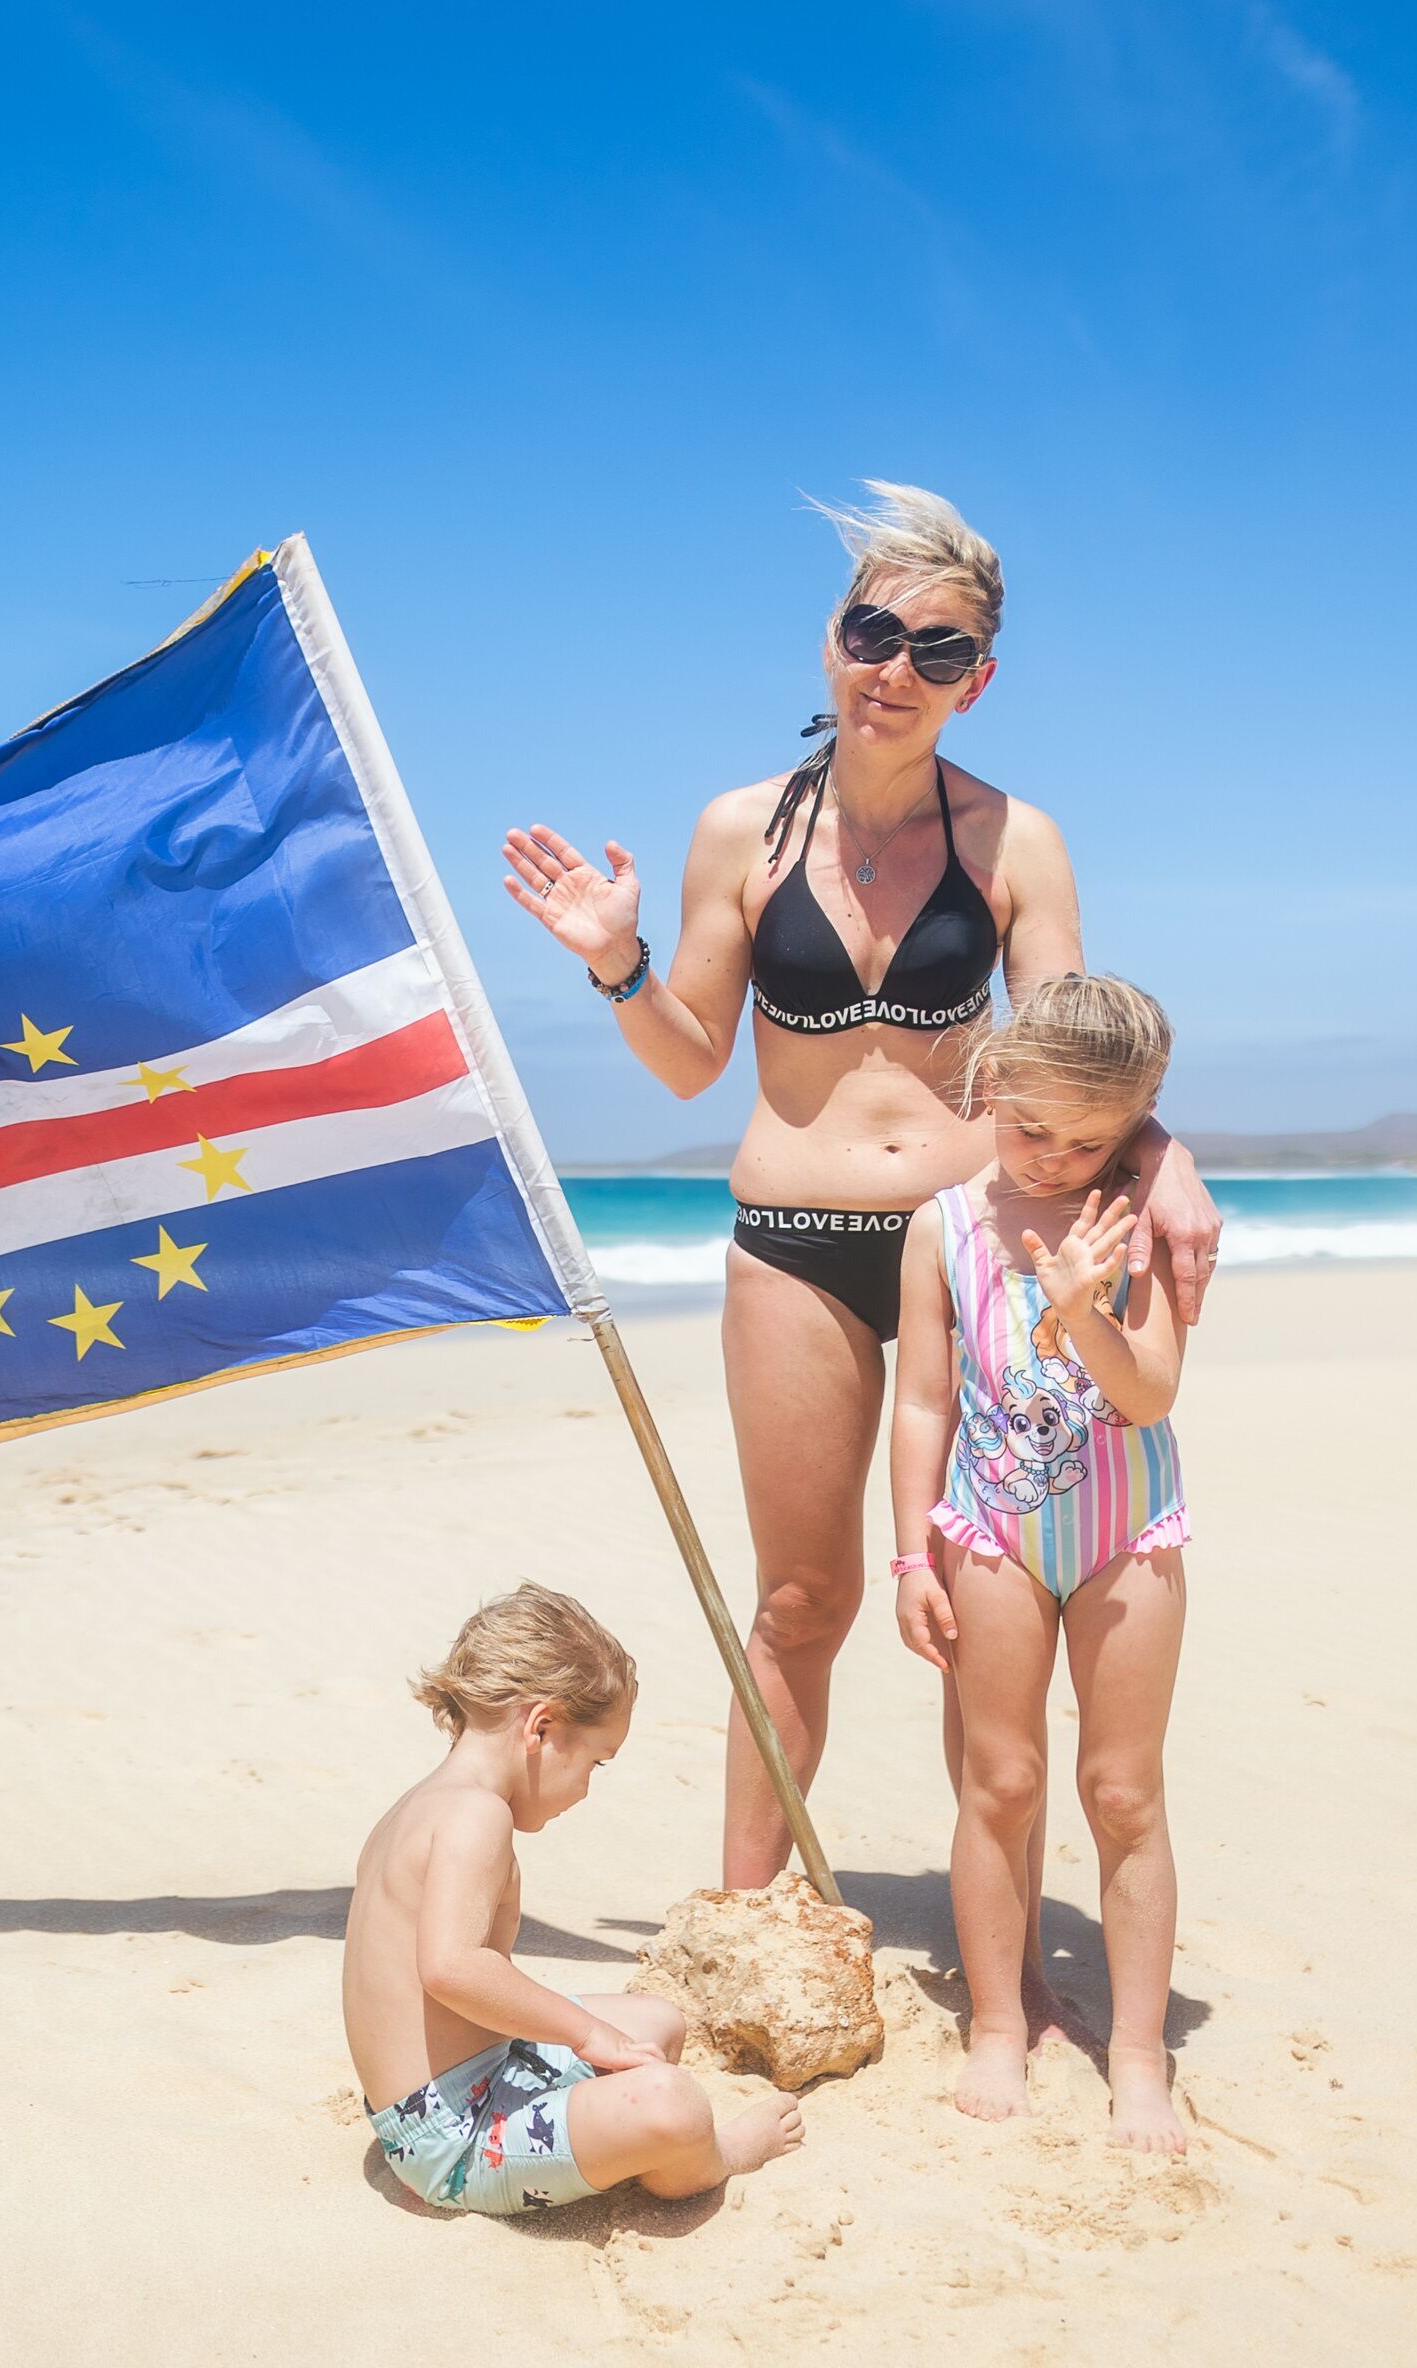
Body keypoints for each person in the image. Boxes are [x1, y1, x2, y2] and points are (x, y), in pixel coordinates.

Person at [497, 483, 1221, 1894]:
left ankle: (990, 1937)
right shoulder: (741, 831)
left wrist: (1167, 1151)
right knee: (803, 1597)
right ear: (832, 641)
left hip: (978, 1247)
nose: (895, 669)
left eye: (936, 651)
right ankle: (746, 1912)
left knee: (986, 1594)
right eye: (873, 632)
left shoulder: (1017, 842)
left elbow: (1078, 1061)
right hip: (795, 1244)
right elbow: (690, 1062)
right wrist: (615, 960)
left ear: (979, 680)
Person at [890, 976, 1195, 2151]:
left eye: (1091, 1141)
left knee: (1123, 1793)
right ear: (991, 1089)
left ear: (1137, 1124)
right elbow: (922, 1399)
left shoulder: (1144, 1223)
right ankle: (1000, 2025)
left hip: (1130, 1539)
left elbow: (1152, 1392)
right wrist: (910, 1551)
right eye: (1033, 1130)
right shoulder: (945, 1225)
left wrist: (1085, 1310)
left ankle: (1134, 2052)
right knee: (1000, 1784)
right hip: (989, 1536)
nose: (1059, 1160)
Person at [344, 1584, 806, 2213]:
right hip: (454, 2140)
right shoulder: (476, 1816)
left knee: (656, 2021)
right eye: (596, 1762)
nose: (586, 1789)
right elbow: (452, 1967)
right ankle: (711, 2157)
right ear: (542, 1727)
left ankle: (615, 2142)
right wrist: (587, 2035)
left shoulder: (420, 1805)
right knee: (676, 2105)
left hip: (451, 2092)